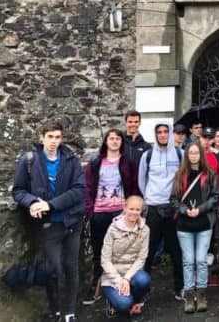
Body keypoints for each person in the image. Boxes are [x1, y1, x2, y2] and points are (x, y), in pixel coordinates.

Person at [12, 120, 84, 322]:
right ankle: (56, 310)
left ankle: (70, 312)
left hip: (71, 222)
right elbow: (18, 191)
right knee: (53, 270)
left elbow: (79, 190)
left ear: (62, 139)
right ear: (41, 137)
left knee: (71, 268)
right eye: (50, 137)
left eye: (57, 137)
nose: (53, 141)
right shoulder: (29, 160)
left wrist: (50, 204)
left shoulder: (71, 160)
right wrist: (32, 202)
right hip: (48, 225)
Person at [83, 129, 138, 306]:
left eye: (118, 139)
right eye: (111, 138)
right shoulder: (95, 163)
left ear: (122, 142)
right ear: (106, 141)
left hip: (120, 212)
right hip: (99, 213)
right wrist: (90, 210)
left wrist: (130, 210)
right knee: (99, 250)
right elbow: (87, 187)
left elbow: (133, 187)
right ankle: (97, 284)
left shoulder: (127, 163)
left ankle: (120, 286)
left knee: (121, 251)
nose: (114, 141)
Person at [170, 142, 219, 313]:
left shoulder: (210, 174)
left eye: (196, 152)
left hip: (204, 223)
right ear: (186, 155)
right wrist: (185, 210)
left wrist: (200, 209)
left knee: (201, 260)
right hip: (184, 225)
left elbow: (215, 197)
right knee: (188, 261)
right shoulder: (180, 174)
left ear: (201, 154)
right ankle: (190, 295)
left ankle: (202, 293)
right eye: (190, 153)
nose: (193, 155)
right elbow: (173, 199)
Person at [137, 123, 185, 300]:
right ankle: (143, 290)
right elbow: (142, 180)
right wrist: (149, 197)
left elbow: (184, 177)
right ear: (155, 134)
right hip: (153, 208)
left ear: (170, 134)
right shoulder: (147, 155)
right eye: (159, 132)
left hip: (172, 207)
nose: (163, 135)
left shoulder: (180, 153)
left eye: (166, 132)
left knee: (176, 251)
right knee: (148, 251)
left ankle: (179, 288)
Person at [100, 195, 151, 317]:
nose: (134, 212)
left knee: (144, 280)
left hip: (132, 273)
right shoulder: (113, 229)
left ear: (141, 211)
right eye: (131, 209)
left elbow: (141, 258)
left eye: (137, 209)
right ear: (125, 208)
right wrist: (119, 280)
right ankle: (116, 301)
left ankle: (135, 302)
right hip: (112, 275)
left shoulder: (145, 230)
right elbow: (105, 260)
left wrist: (127, 278)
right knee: (124, 303)